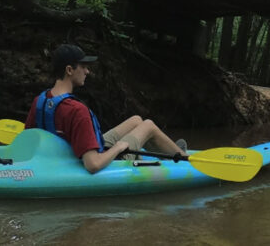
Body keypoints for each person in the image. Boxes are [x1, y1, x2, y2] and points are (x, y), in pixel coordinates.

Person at [25, 43, 188, 173]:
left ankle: (168, 152)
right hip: (107, 160)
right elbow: (93, 164)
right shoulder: (77, 110)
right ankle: (184, 160)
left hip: (72, 152)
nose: (87, 71)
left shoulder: (39, 101)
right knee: (149, 126)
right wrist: (117, 148)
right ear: (69, 70)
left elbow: (29, 141)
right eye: (83, 66)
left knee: (136, 120)